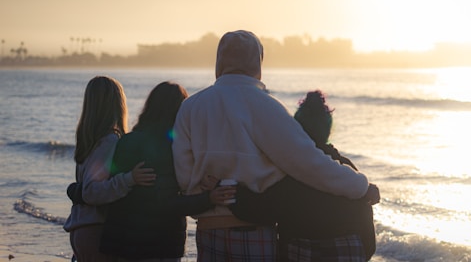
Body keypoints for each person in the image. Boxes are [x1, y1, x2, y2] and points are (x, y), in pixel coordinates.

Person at [172, 30, 380, 262]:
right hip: (253, 230)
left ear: (219, 62)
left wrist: (209, 195)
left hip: (208, 231)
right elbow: (308, 163)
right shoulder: (265, 106)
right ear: (258, 64)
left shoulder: (191, 107)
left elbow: (183, 175)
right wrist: (360, 186)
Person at [230, 90, 376, 261]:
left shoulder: (288, 168)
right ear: (328, 128)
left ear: (297, 128)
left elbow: (263, 210)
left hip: (298, 251)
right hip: (347, 250)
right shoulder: (346, 169)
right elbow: (366, 222)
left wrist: (231, 190)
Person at [98, 81, 235, 261]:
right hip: (161, 243)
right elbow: (167, 203)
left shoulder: (127, 141)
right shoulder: (174, 148)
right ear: (180, 111)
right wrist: (208, 198)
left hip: (123, 243)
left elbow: (113, 190)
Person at [63, 76, 156, 262]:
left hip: (81, 229)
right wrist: (130, 179)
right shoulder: (108, 142)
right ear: (118, 104)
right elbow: (91, 191)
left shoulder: (89, 142)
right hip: (96, 232)